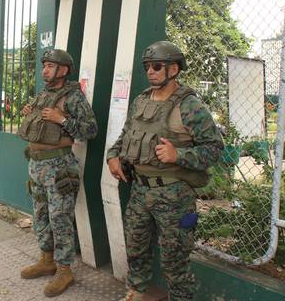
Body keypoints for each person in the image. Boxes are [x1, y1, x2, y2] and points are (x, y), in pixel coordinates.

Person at [106, 41, 224, 301]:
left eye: (157, 66)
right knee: (136, 248)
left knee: (174, 259)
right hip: (139, 190)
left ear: (174, 69)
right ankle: (137, 291)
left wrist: (178, 155)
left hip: (174, 195)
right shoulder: (141, 100)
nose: (150, 71)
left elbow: (215, 148)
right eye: (148, 66)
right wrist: (112, 156)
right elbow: (126, 135)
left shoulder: (190, 105)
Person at [17, 49, 97, 297]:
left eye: (51, 66)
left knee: (60, 219)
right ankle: (47, 259)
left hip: (59, 167)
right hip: (37, 165)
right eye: (44, 66)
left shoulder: (73, 97)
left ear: (63, 70)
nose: (45, 70)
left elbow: (90, 130)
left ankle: (65, 269)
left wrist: (62, 119)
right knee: (41, 215)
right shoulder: (43, 94)